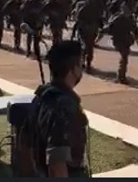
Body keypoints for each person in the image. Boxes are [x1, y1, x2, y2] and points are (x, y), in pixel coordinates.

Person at [20, 40, 90, 177]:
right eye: (81, 64)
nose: (82, 68)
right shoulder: (65, 107)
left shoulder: (41, 98)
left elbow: (25, 146)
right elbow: (57, 164)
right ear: (72, 69)